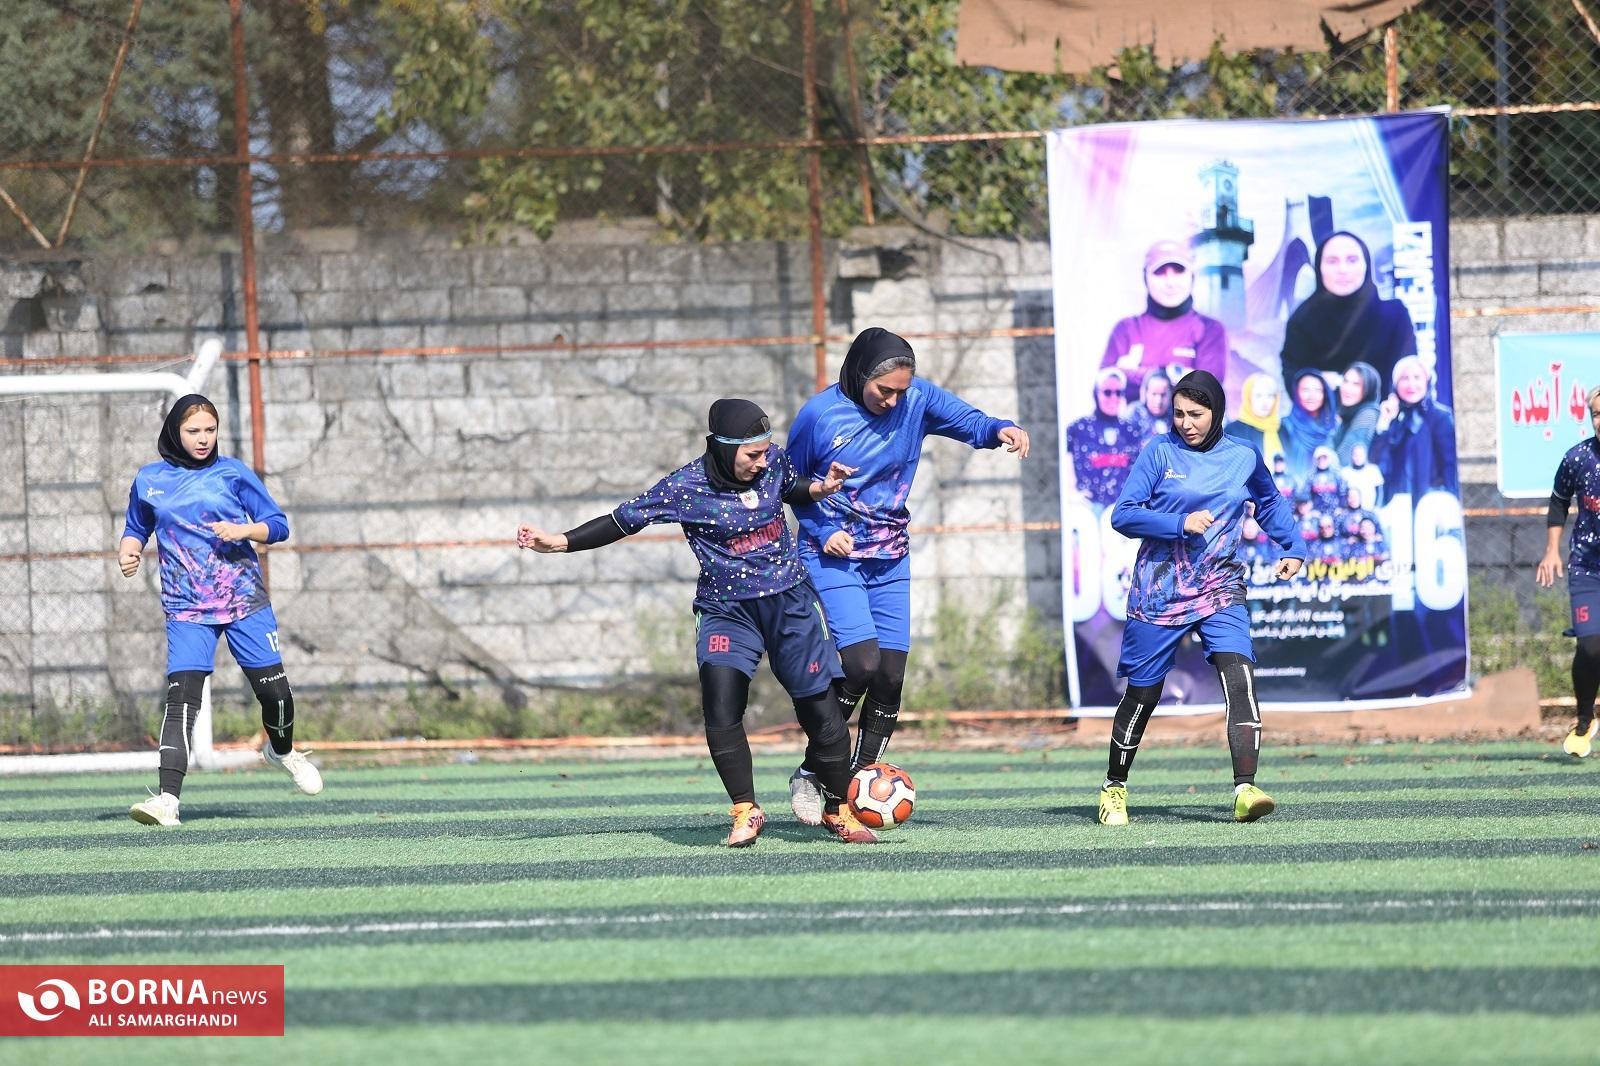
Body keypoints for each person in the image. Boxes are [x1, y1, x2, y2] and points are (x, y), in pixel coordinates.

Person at [516, 398, 878, 845]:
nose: (762, 461)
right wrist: (559, 542)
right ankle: (745, 809)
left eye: (766, 451)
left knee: (820, 710)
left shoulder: (773, 463)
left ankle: (839, 809)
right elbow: (621, 520)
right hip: (727, 611)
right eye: (752, 454)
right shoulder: (684, 487)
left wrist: (821, 488)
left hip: (791, 604)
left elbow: (793, 487)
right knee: (721, 703)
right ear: (724, 448)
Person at [785, 328, 1029, 822]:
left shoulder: (917, 398)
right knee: (860, 665)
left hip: (890, 556)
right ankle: (813, 770)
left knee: (891, 676)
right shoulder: (819, 415)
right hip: (833, 555)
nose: (894, 401)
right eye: (884, 391)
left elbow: (967, 420)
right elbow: (789, 485)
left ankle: (857, 782)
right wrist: (823, 529)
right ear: (859, 374)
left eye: (901, 390)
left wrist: (1000, 429)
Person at [1097, 370, 1305, 827]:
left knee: (1240, 676)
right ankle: (1114, 787)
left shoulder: (1243, 455)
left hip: (1220, 586)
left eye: (1195, 413)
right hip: (1160, 591)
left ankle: (1245, 789)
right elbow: (1123, 515)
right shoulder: (1159, 452)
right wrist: (1179, 524)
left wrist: (1292, 546)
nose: (1186, 423)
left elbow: (1269, 501)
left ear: (1217, 412)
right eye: (1178, 414)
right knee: (1142, 695)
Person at [119, 394, 322, 827]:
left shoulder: (233, 473)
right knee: (182, 700)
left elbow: (278, 525)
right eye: (193, 431)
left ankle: (282, 751)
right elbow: (137, 527)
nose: (203, 438)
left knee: (276, 697)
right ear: (174, 432)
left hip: (244, 601)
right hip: (187, 608)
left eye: (210, 430)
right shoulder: (150, 479)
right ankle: (167, 801)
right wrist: (128, 550)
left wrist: (244, 529)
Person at [1535, 385, 1600, 758]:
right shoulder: (1578, 458)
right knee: (1590, 646)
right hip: (1587, 566)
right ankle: (1584, 718)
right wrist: (1551, 550)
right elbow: (1559, 501)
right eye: (1596, 414)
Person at [1280, 231, 1418, 387]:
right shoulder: (1302, 321)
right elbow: (1293, 374)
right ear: (1319, 267)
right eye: (1332, 261)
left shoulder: (1394, 316)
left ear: (1366, 265)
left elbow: (1408, 372)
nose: (1343, 270)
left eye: (1352, 260)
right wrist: (1317, 382)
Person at [1100, 239, 1228, 390]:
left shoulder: (1210, 329)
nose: (1170, 282)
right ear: (1145, 277)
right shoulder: (1125, 329)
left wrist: (1133, 373)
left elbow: (1205, 391)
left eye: (1179, 271)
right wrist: (1177, 374)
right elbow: (1106, 389)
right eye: (1159, 272)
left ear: (1192, 276)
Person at [1369, 356, 1460, 502]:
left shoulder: (1441, 417)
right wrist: (1385, 421)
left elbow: (1449, 465)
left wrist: (1450, 499)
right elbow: (1374, 459)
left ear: (1427, 381)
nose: (1411, 384)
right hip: (1394, 501)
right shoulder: (1392, 418)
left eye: (1417, 377)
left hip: (1431, 501)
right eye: (1404, 378)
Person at [1067, 367, 1142, 507]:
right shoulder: (1078, 429)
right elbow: (1066, 463)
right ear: (1096, 393)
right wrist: (1072, 493)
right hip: (1087, 506)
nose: (1114, 398)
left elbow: (1138, 472)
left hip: (1123, 507)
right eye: (1107, 392)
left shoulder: (1131, 430)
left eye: (1118, 393)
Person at [1280, 368, 1338, 481]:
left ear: (1325, 394)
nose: (1312, 396)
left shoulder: (1333, 426)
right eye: (1305, 390)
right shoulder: (1285, 425)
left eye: (1318, 390)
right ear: (1296, 393)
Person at [1223, 372, 1285, 463]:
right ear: (1248, 397)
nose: (1265, 402)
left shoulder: (1282, 430)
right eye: (1258, 396)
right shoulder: (1232, 431)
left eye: (1270, 395)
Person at [1331, 361, 1383, 466]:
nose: (1347, 388)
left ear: (1368, 389)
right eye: (1345, 381)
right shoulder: (1348, 413)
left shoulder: (1368, 414)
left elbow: (1345, 459)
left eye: (1356, 384)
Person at [1125, 369, 1172, 442]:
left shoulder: (1176, 417)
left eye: (1163, 395)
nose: (1158, 401)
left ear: (1170, 394)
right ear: (1145, 393)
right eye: (1154, 394)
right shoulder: (1134, 414)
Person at [1341, 442, 1385, 510]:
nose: (1358, 457)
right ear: (1351, 456)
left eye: (1361, 455)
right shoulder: (1345, 472)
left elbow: (1379, 491)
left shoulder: (1373, 470)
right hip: (1351, 512)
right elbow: (1342, 493)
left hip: (1370, 510)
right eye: (1355, 455)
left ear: (1365, 456)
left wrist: (1377, 507)